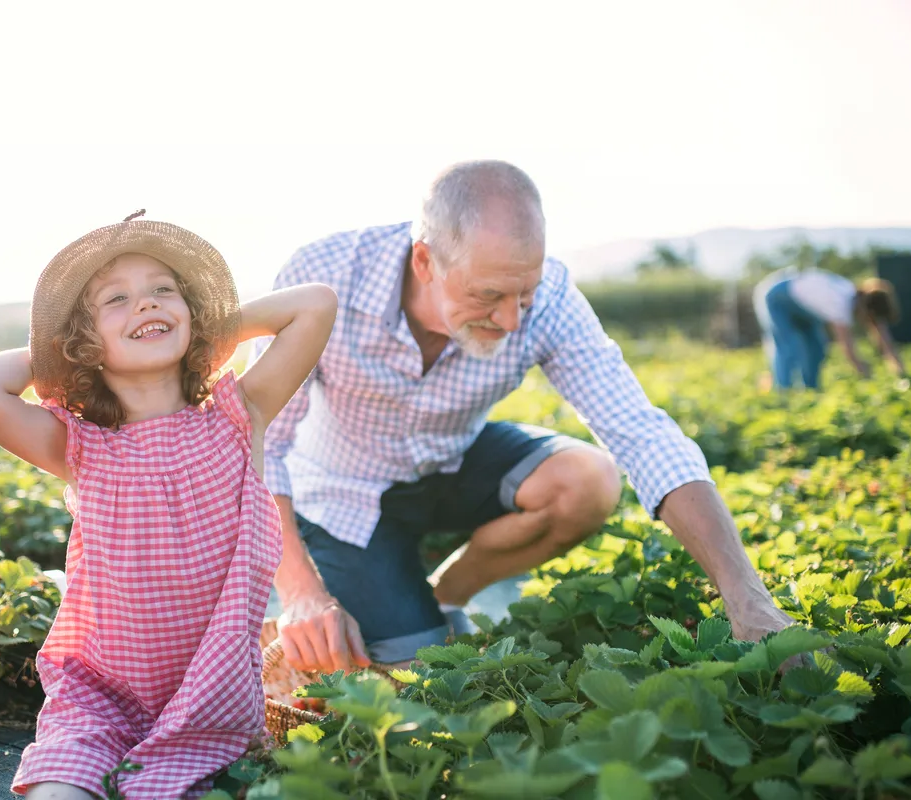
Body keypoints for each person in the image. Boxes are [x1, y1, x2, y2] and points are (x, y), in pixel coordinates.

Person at [253, 159, 798, 675]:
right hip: (343, 494)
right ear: (425, 261)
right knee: (422, 671)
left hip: (453, 462)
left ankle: (444, 596)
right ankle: (407, 617)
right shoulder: (326, 276)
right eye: (488, 295)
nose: (513, 319)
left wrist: (748, 599)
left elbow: (641, 433)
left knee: (588, 479)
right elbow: (259, 442)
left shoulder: (553, 299)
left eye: (526, 294)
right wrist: (301, 591)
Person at [0, 212, 336, 800]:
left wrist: (207, 324)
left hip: (213, 703)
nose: (147, 305)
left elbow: (315, 304)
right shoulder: (80, 446)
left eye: (164, 291)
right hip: (101, 702)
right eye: (117, 299)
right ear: (84, 340)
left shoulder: (239, 417)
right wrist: (59, 353)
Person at [753, 266, 904, 390]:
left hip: (804, 305)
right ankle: (783, 392)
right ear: (868, 310)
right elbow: (847, 347)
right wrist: (863, 370)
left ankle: (811, 390)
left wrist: (898, 367)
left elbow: (881, 332)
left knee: (817, 348)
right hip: (779, 297)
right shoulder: (840, 303)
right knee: (789, 347)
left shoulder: (855, 296)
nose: (868, 322)